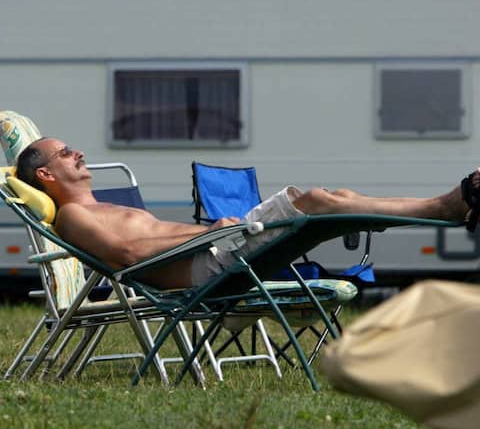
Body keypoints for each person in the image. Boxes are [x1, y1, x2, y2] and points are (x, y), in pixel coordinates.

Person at [15, 137, 478, 290]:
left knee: (335, 197)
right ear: (46, 178)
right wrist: (205, 233)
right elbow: (129, 252)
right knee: (316, 202)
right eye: (63, 153)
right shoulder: (72, 219)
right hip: (208, 263)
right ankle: (445, 206)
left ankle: (444, 208)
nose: (77, 153)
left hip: (215, 247)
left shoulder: (103, 206)